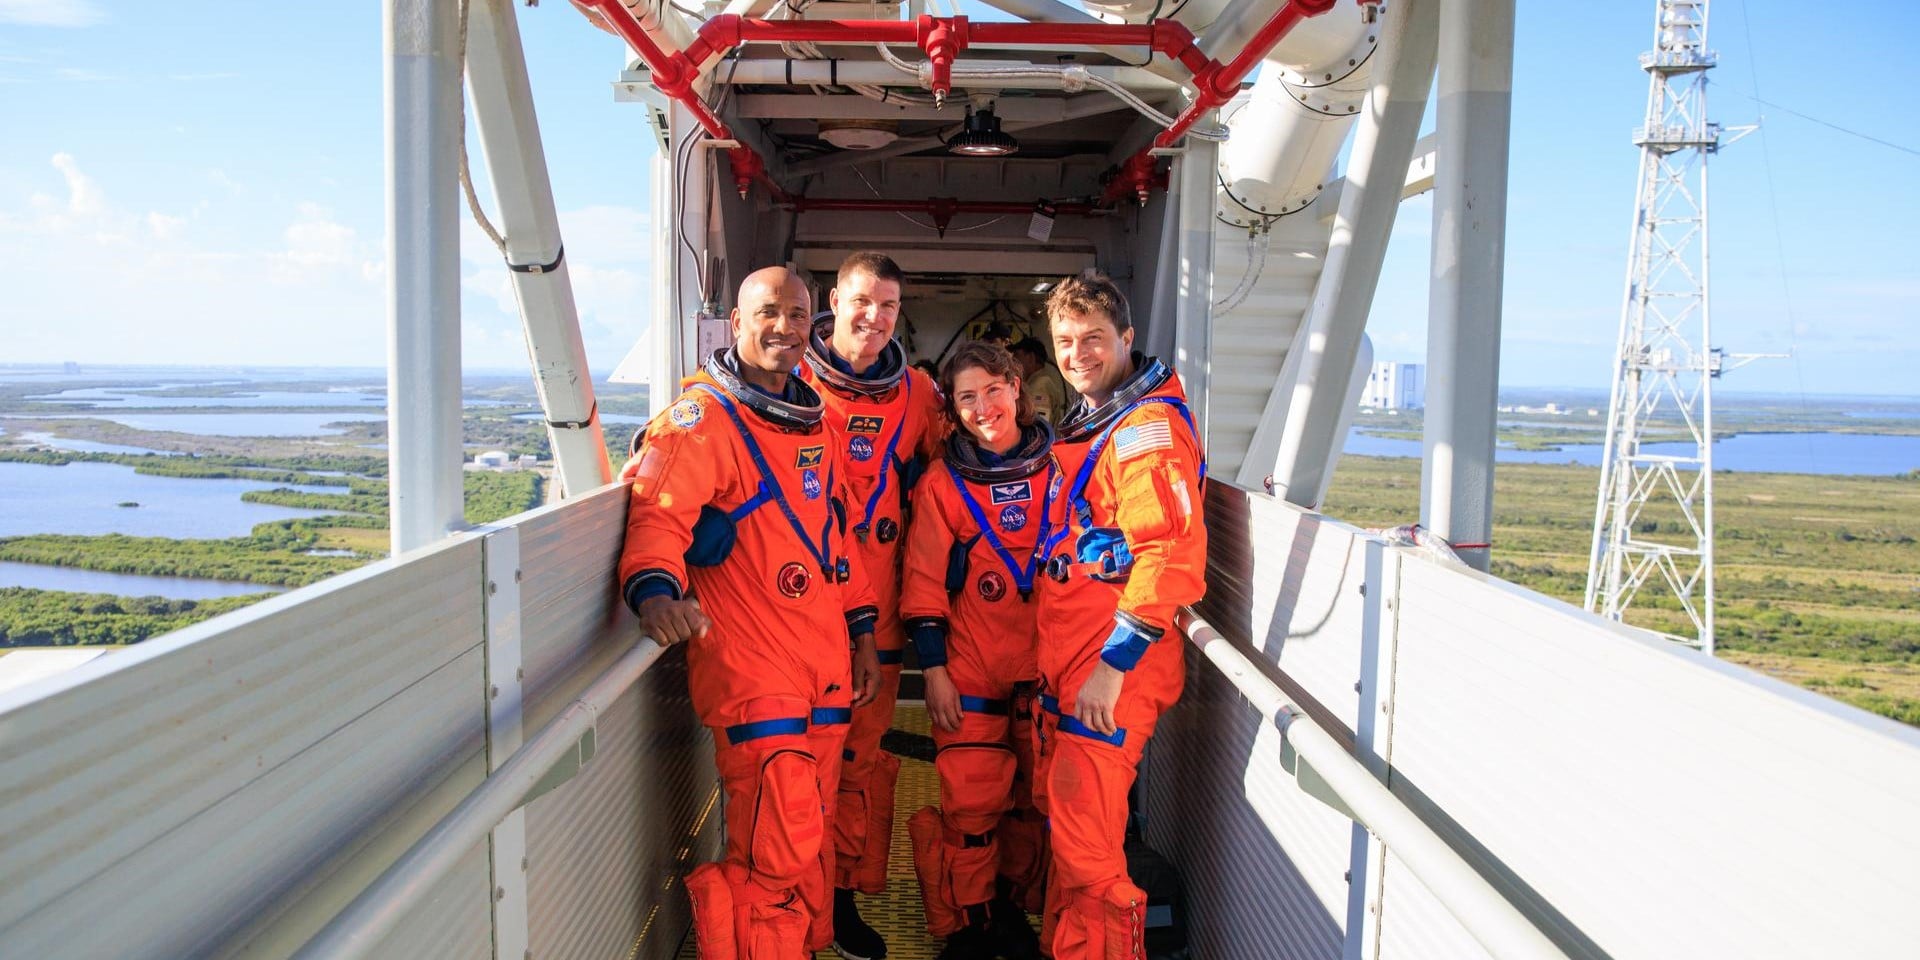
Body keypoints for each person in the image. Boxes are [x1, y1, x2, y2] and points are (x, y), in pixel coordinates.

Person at [617, 266, 882, 960]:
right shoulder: (702, 421)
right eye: (769, 313)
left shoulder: (815, 421)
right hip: (755, 674)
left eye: (798, 316)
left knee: (810, 837)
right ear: (736, 323)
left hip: (823, 670)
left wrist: (861, 633)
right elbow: (658, 517)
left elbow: (835, 539)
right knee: (775, 852)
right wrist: (655, 593)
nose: (786, 329)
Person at [1033, 270, 1207, 960]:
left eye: (1094, 339)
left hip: (1112, 674)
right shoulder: (1104, 424)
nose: (1078, 354)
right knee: (1079, 843)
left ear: (1127, 339)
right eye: (1066, 340)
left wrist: (1112, 668)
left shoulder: (1145, 432)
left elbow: (1168, 552)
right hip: (1082, 665)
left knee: (1091, 860)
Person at [798, 251, 947, 960]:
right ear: (834, 299)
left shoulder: (917, 396)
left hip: (878, 623)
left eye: (889, 306)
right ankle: (787, 907)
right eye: (862, 301)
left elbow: (957, 474)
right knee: (794, 769)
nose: (874, 317)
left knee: (858, 768)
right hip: (797, 619)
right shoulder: (786, 379)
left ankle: (841, 901)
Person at [899, 342, 1052, 960]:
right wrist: (933, 670)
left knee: (1029, 808)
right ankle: (970, 924)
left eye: (993, 389)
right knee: (970, 810)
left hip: (1045, 667)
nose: (983, 405)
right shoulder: (942, 483)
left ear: (1017, 387)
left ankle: (1012, 914)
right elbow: (924, 582)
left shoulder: (1062, 466)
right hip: (971, 666)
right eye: (967, 396)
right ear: (954, 409)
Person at [1010, 337, 1072, 423]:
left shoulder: (1040, 385)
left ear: (1031, 358)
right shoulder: (1034, 383)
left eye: (1017, 356)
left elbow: (1038, 427)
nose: (1013, 362)